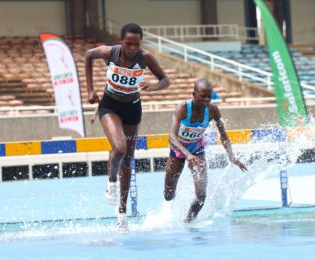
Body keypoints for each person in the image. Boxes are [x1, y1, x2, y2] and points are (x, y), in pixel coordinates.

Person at [85, 23, 170, 232]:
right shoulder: (109, 52)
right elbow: (88, 55)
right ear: (121, 41)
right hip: (109, 106)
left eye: (136, 44)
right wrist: (90, 90)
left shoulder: (146, 57)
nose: (132, 48)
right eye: (128, 43)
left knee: (128, 159)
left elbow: (165, 80)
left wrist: (154, 87)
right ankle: (111, 181)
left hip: (133, 109)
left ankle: (122, 213)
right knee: (120, 149)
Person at [164, 78, 247, 223]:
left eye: (209, 96)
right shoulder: (183, 108)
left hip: (197, 149)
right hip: (179, 150)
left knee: (201, 196)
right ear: (194, 94)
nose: (206, 99)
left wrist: (232, 157)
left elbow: (224, 136)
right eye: (203, 96)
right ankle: (173, 206)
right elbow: (171, 137)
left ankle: (188, 222)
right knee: (168, 195)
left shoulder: (213, 110)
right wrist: (187, 155)